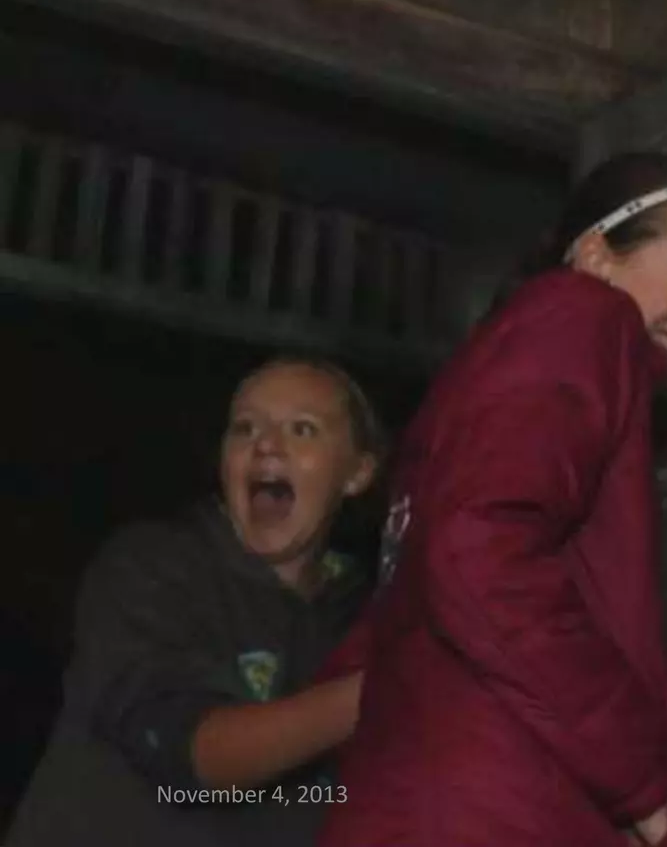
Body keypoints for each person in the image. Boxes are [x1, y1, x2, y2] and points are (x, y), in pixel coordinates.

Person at [317, 152, 667, 847]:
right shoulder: (584, 316)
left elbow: (403, 606)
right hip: (504, 810)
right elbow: (479, 552)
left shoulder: (482, 377)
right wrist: (645, 787)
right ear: (597, 255)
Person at [6, 358, 384, 847]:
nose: (266, 445)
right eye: (245, 428)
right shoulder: (151, 567)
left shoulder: (369, 614)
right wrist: (380, 689)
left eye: (302, 429)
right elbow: (198, 756)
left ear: (358, 472)